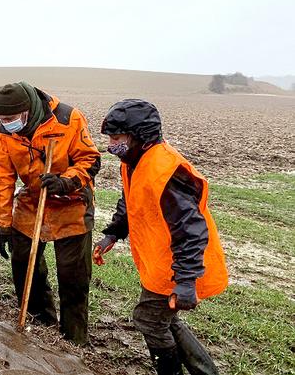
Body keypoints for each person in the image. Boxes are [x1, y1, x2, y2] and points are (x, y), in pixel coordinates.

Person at [94, 99, 228, 375]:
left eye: (116, 137)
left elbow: (191, 231)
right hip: (160, 262)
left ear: (139, 136)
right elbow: (130, 200)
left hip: (175, 265)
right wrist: (113, 233)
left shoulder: (164, 172)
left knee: (149, 319)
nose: (111, 144)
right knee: (164, 319)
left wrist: (186, 280)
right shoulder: (134, 161)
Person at [0, 82, 101, 345]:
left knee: (72, 276)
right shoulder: (4, 132)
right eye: (0, 119)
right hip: (32, 200)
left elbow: (90, 160)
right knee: (24, 265)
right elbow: (2, 178)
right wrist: (3, 224)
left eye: (10, 119)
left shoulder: (67, 119)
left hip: (72, 201)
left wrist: (66, 181)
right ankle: (41, 324)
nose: (6, 124)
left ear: (27, 110)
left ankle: (73, 339)